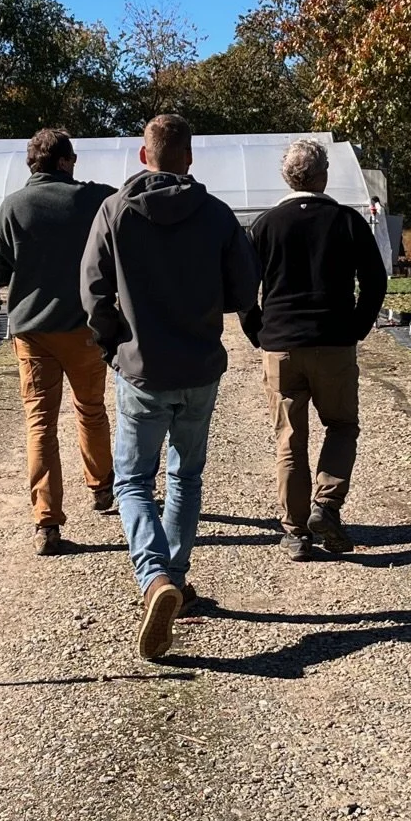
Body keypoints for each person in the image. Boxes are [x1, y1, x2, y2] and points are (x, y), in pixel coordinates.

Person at [81, 113, 259, 660]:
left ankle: (155, 577)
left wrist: (113, 345)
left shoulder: (112, 212)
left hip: (141, 369)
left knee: (133, 479)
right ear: (189, 158)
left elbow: (91, 292)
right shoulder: (218, 216)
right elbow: (243, 290)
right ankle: (176, 577)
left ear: (143, 156)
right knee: (186, 474)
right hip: (199, 367)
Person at [244, 138, 389, 560]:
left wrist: (258, 330)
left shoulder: (265, 225)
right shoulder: (346, 221)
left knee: (289, 438)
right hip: (333, 342)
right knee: (341, 425)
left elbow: (241, 288)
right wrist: (357, 327)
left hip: (282, 345)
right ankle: (326, 504)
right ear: (324, 176)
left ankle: (293, 533)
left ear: (286, 176)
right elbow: (376, 281)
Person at [0, 128, 115, 556]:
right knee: (91, 410)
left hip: (33, 332)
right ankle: (100, 487)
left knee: (40, 423)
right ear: (62, 162)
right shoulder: (92, 200)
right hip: (83, 328)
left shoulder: (13, 206)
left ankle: (46, 522)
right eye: (72, 158)